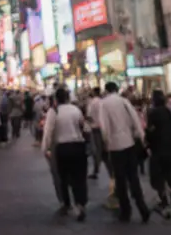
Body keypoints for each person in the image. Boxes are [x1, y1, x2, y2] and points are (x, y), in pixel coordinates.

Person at [96, 81, 151, 223]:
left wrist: (106, 141)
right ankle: (143, 208)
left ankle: (126, 212)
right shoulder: (124, 101)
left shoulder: (104, 104)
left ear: (106, 90)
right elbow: (135, 120)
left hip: (115, 147)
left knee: (120, 181)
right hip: (129, 143)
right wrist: (140, 136)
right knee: (134, 178)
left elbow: (105, 127)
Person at [42, 88, 89, 221]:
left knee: (62, 177)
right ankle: (80, 204)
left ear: (56, 99)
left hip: (62, 148)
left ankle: (66, 203)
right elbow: (84, 127)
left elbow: (48, 132)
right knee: (79, 177)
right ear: (68, 97)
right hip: (78, 146)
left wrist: (45, 149)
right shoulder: (75, 110)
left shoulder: (53, 111)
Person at [144, 90, 171, 221]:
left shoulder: (153, 114)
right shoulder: (170, 113)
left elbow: (150, 132)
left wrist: (148, 141)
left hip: (158, 152)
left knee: (158, 181)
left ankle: (165, 205)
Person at [84, 87, 111, 181]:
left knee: (97, 151)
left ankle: (97, 171)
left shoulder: (92, 103)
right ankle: (109, 172)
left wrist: (88, 122)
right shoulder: (102, 102)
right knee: (104, 151)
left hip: (95, 129)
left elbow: (89, 116)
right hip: (103, 129)